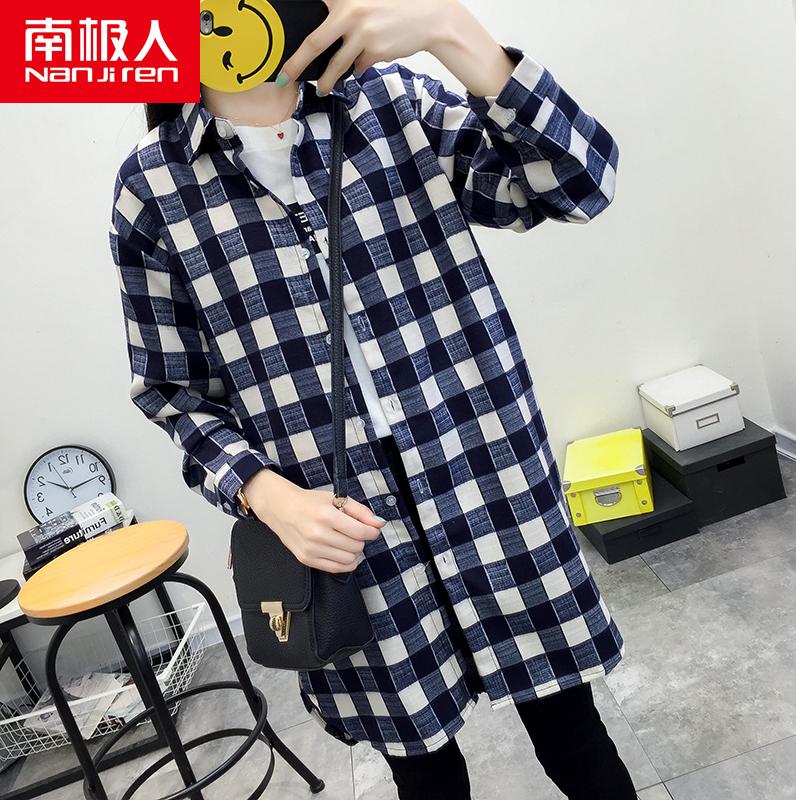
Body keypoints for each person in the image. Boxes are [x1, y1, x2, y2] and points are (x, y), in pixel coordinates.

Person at [110, 1, 636, 797]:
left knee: (574, 735)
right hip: (339, 527)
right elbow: (173, 391)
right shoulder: (153, 188)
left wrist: (451, 30)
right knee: (423, 771)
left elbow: (578, 184)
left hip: (486, 478)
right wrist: (268, 497)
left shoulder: (395, 105)